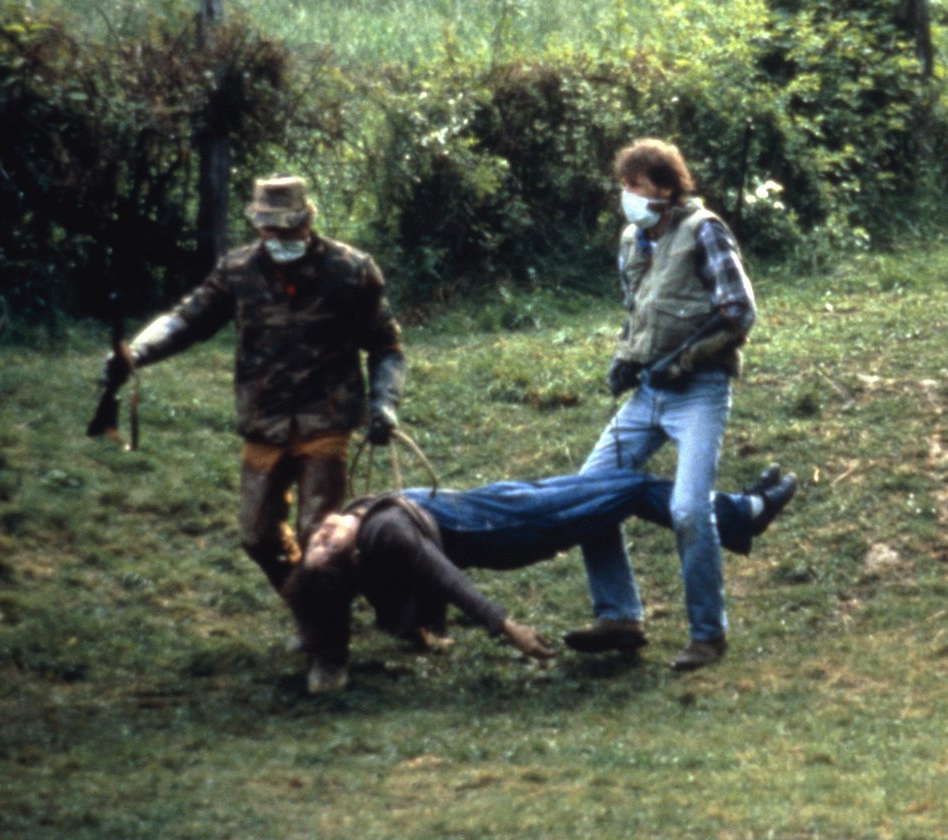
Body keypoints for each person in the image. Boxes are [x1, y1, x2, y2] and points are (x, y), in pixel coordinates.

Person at [99, 176, 405, 621]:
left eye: (284, 227)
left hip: (327, 419)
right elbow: (188, 321)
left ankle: (327, 646)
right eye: (266, 227)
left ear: (307, 219)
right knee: (257, 536)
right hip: (265, 421)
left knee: (318, 536)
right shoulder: (237, 271)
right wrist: (135, 354)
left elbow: (386, 346)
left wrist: (384, 402)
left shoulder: (352, 271)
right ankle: (311, 604)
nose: (274, 237)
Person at [286, 465, 799, 692]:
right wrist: (508, 628)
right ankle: (739, 515)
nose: (324, 534)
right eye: (329, 547)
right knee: (629, 490)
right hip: (511, 527)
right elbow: (444, 577)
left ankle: (735, 512)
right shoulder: (384, 534)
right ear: (352, 559)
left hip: (495, 503)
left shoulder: (357, 529)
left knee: (612, 487)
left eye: (316, 542)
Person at [565, 138, 758, 672]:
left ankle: (707, 634)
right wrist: (626, 359)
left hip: (699, 391)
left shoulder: (704, 231)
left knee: (689, 510)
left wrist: (689, 358)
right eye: (623, 185)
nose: (625, 195)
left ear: (666, 189)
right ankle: (619, 617)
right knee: (588, 493)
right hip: (649, 392)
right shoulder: (632, 239)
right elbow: (639, 313)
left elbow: (739, 312)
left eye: (636, 186)